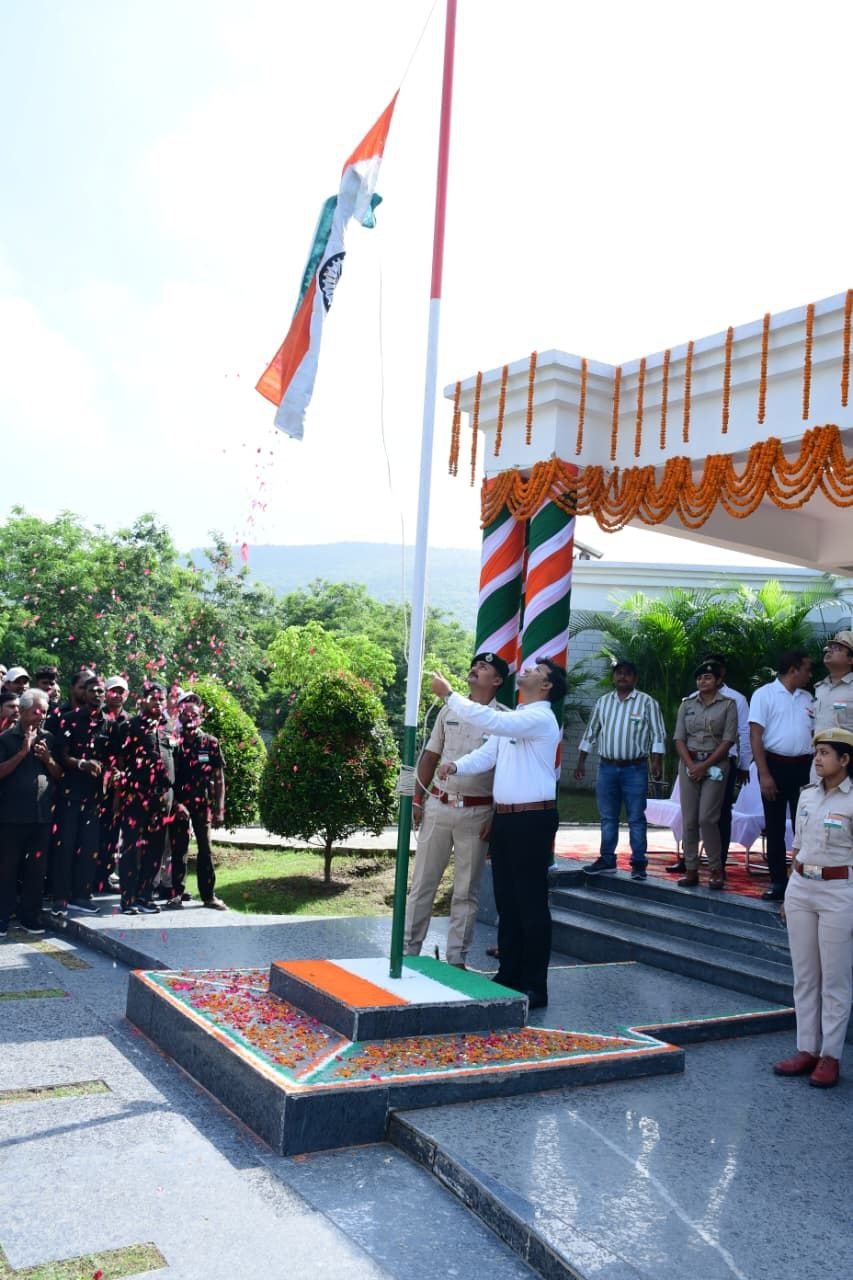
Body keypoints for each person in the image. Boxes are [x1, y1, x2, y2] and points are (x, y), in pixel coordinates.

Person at [431, 658, 565, 1009]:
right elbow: (487, 754)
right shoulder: (516, 719)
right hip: (506, 819)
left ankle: (535, 985)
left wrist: (450, 696)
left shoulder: (539, 717)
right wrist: (456, 765)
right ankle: (509, 974)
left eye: (537, 671)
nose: (528, 671)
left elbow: (491, 720)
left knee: (531, 903)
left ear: (547, 686)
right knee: (508, 900)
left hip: (532, 819)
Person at [404, 652, 506, 967]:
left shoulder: (503, 719)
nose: (475, 669)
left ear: (497, 680)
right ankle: (408, 950)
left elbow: (505, 772)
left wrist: (496, 815)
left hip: (477, 813)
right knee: (422, 883)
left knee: (465, 890)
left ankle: (457, 958)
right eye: (474, 665)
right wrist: (416, 799)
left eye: (483, 667)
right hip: (439, 804)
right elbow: (430, 756)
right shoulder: (448, 710)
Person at [773, 726, 853, 1088]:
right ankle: (807, 1048)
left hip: (839, 891)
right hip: (802, 888)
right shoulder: (806, 795)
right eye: (816, 752)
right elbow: (798, 847)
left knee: (834, 979)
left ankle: (830, 1056)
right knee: (805, 976)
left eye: (825, 753)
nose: (817, 759)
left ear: (845, 759)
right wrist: (790, 892)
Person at [574, 661, 665, 880]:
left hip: (635, 769)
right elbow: (591, 733)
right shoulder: (603, 702)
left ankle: (639, 864)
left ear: (635, 678)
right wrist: (581, 762)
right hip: (607, 767)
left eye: (627, 674)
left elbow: (658, 734)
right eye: (619, 673)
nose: (622, 677)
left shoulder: (647, 702)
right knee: (607, 817)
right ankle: (607, 860)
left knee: (636, 818)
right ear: (614, 677)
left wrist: (656, 762)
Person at [667, 652, 752, 876]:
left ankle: (716, 867)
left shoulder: (731, 703)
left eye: (708, 677)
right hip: (689, 763)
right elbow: (679, 738)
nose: (703, 681)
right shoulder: (688, 703)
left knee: (709, 818)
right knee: (689, 818)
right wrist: (691, 765)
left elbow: (732, 738)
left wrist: (742, 764)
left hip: (717, 764)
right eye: (700, 677)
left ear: (719, 678)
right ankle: (691, 868)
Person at [749, 650, 815, 901]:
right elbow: (756, 736)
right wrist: (764, 774)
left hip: (804, 768)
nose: (810, 675)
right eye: (807, 669)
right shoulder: (764, 694)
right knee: (775, 826)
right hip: (774, 766)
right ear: (793, 670)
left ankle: (803, 879)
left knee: (805, 825)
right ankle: (778, 881)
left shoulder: (808, 697)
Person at [0, 689, 63, 936]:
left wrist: (48, 759)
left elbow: (58, 774)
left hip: (41, 816)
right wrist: (22, 752)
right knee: (7, 869)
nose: (41, 716)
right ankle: (2, 917)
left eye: (44, 712)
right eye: (36, 711)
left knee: (36, 870)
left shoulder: (48, 737)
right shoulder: (6, 738)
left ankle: (30, 917)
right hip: (11, 817)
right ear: (24, 711)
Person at [111, 681, 175, 914]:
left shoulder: (169, 727)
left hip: (163, 798)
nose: (157, 702)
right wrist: (119, 796)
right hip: (136, 796)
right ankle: (128, 899)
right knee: (131, 847)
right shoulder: (129, 727)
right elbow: (118, 762)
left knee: (155, 848)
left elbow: (174, 760)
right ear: (143, 700)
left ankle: (145, 896)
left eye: (161, 699)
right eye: (153, 698)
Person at [52, 675, 110, 916]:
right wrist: (82, 764)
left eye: (100, 691)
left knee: (89, 847)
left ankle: (82, 896)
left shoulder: (109, 724)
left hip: (94, 796)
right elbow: (62, 756)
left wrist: (112, 772)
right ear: (84, 693)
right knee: (65, 845)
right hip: (70, 793)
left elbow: (113, 759)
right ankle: (60, 898)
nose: (97, 694)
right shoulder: (68, 719)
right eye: (92, 690)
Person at [166, 698, 227, 910]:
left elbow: (219, 779)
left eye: (194, 715)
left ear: (200, 718)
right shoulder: (174, 743)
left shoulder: (211, 742)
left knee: (205, 849)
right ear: (180, 718)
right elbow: (168, 778)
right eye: (186, 715)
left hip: (203, 805)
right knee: (179, 849)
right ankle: (176, 894)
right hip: (179, 805)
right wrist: (175, 804)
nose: (190, 719)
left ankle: (209, 896)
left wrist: (220, 809)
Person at [98, 675, 131, 891]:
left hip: (122, 785)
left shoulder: (130, 721)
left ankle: (105, 876)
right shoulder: (96, 717)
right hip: (96, 783)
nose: (117, 695)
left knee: (113, 833)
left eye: (121, 691)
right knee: (94, 833)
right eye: (113, 690)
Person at [812, 630, 853, 744]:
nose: (829, 650)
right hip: (819, 752)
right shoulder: (820, 688)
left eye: (837, 648)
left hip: (846, 753)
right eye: (829, 648)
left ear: (850, 660)